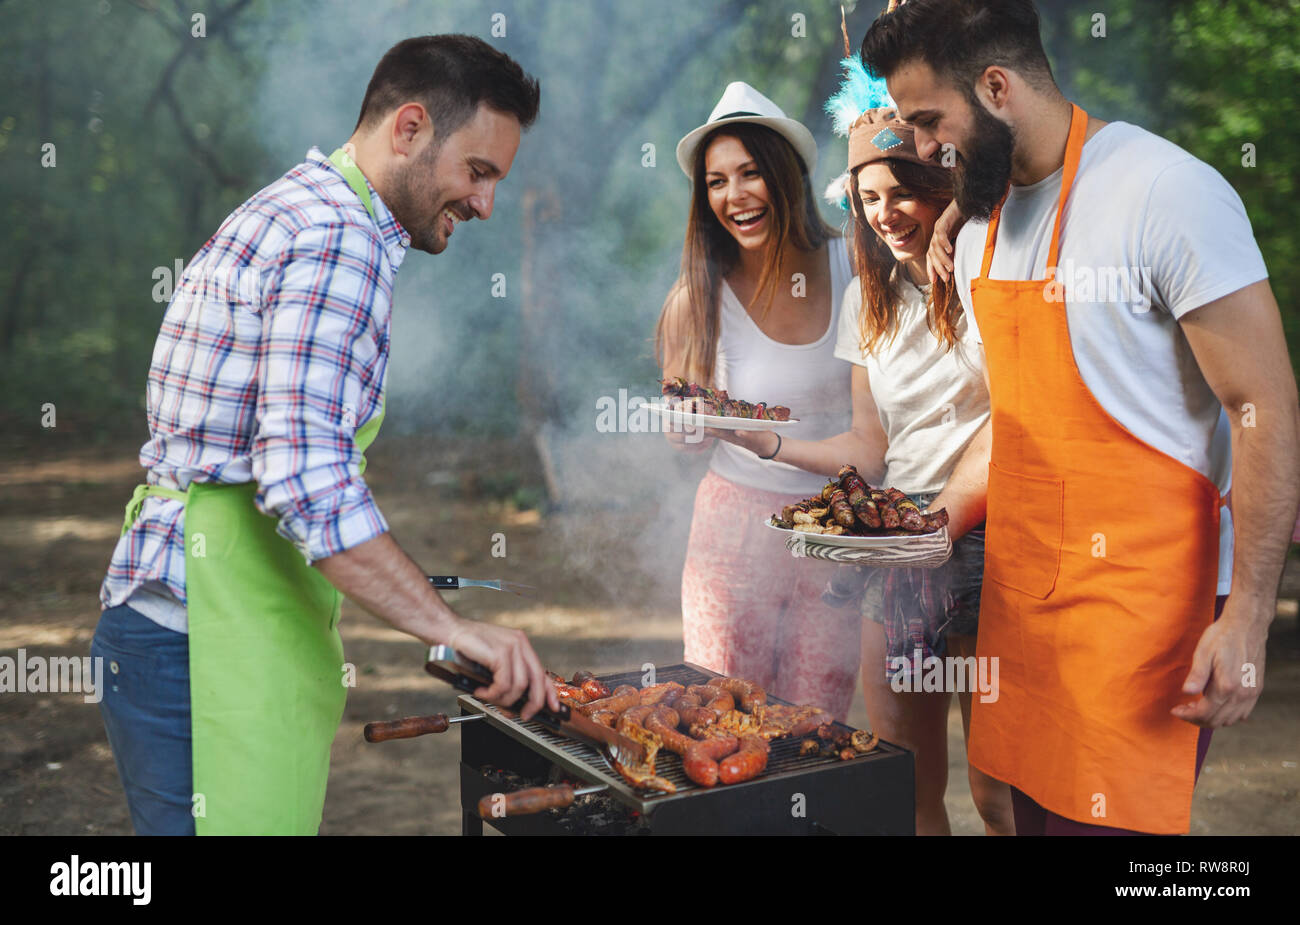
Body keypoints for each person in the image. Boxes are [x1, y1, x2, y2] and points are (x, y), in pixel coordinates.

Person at [95, 34, 559, 836]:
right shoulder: (338, 239)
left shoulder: (300, 208)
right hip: (199, 637)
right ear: (409, 128)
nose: (486, 203)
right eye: (478, 172)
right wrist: (450, 625)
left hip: (193, 620)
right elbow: (305, 477)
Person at [862, 0, 1300, 835]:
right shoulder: (982, 218)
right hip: (1023, 611)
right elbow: (1018, 418)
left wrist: (1247, 617)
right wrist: (926, 529)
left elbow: (1263, 403)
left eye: (927, 121)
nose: (919, 150)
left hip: (1143, 615)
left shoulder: (1165, 192)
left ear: (997, 87)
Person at [712, 99, 1014, 834]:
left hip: (993, 537)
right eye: (868, 198)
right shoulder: (867, 300)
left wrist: (942, 520)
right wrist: (767, 443)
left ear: (942, 185)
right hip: (897, 546)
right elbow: (867, 451)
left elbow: (1022, 415)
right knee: (905, 788)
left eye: (902, 190)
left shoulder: (990, 267)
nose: (886, 214)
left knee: (998, 794)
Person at [656, 81, 861, 720]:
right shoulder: (698, 295)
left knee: (811, 726)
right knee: (724, 717)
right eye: (716, 182)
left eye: (749, 174)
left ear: (786, 177)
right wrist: (685, 428)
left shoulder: (855, 263)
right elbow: (682, 425)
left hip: (834, 527)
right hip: (732, 530)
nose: (733, 195)